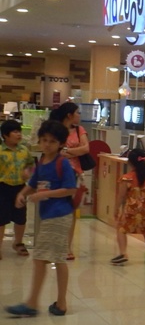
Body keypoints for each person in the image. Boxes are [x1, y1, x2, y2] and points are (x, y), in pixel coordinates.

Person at [4, 120, 78, 317]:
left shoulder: (62, 163)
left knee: (43, 258)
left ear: (61, 143)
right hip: (48, 215)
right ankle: (57, 303)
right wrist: (23, 193)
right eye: (44, 140)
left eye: (52, 141)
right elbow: (33, 183)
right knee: (53, 258)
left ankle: (36, 303)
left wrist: (44, 194)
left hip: (59, 215)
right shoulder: (43, 161)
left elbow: (70, 189)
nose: (47, 144)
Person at [50, 101, 89, 260]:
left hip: (74, 174)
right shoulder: (55, 129)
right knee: (55, 208)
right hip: (56, 172)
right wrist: (73, 152)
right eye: (77, 112)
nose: (79, 115)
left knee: (70, 210)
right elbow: (52, 149)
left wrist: (67, 151)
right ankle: (55, 243)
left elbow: (86, 148)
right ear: (69, 115)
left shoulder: (80, 130)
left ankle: (67, 246)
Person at [0, 120, 33, 258]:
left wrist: (28, 171)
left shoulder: (24, 150)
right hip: (3, 188)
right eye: (15, 132)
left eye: (19, 131)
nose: (19, 134)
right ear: (5, 135)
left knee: (20, 218)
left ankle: (18, 243)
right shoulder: (1, 151)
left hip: (20, 188)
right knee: (1, 218)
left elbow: (30, 164)